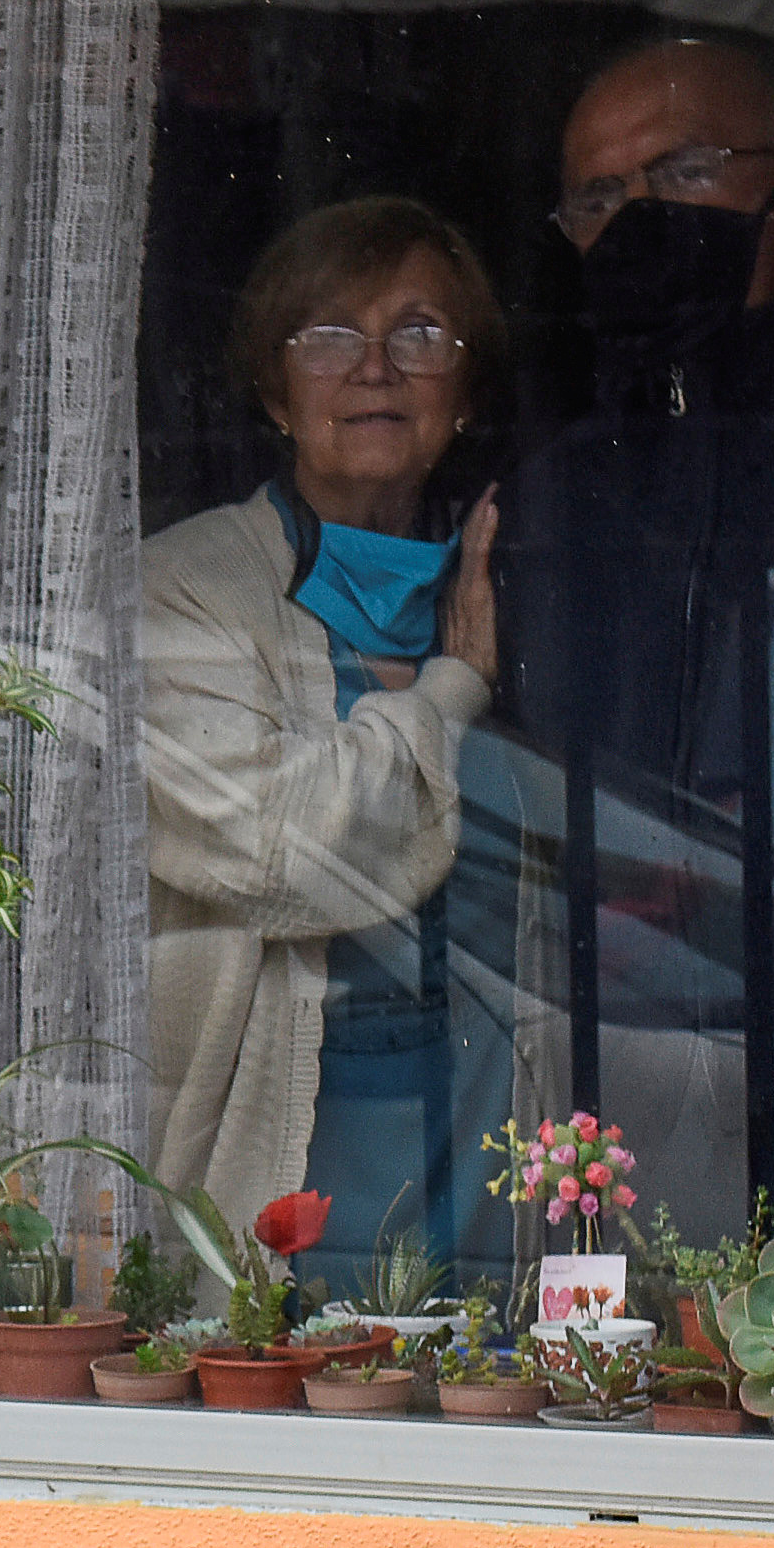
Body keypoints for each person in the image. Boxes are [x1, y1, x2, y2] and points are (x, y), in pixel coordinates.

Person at [486, 29, 774, 1196]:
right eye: (601, 195)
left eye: (688, 169)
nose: (644, 219)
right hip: (611, 1034)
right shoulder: (553, 491)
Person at [138, 196, 507, 1248]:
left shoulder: (506, 580)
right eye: (329, 335)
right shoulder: (182, 591)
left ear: (465, 393)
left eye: (419, 333)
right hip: (284, 1130)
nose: (375, 366)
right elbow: (278, 847)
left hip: (478, 1125)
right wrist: (448, 694)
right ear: (275, 390)